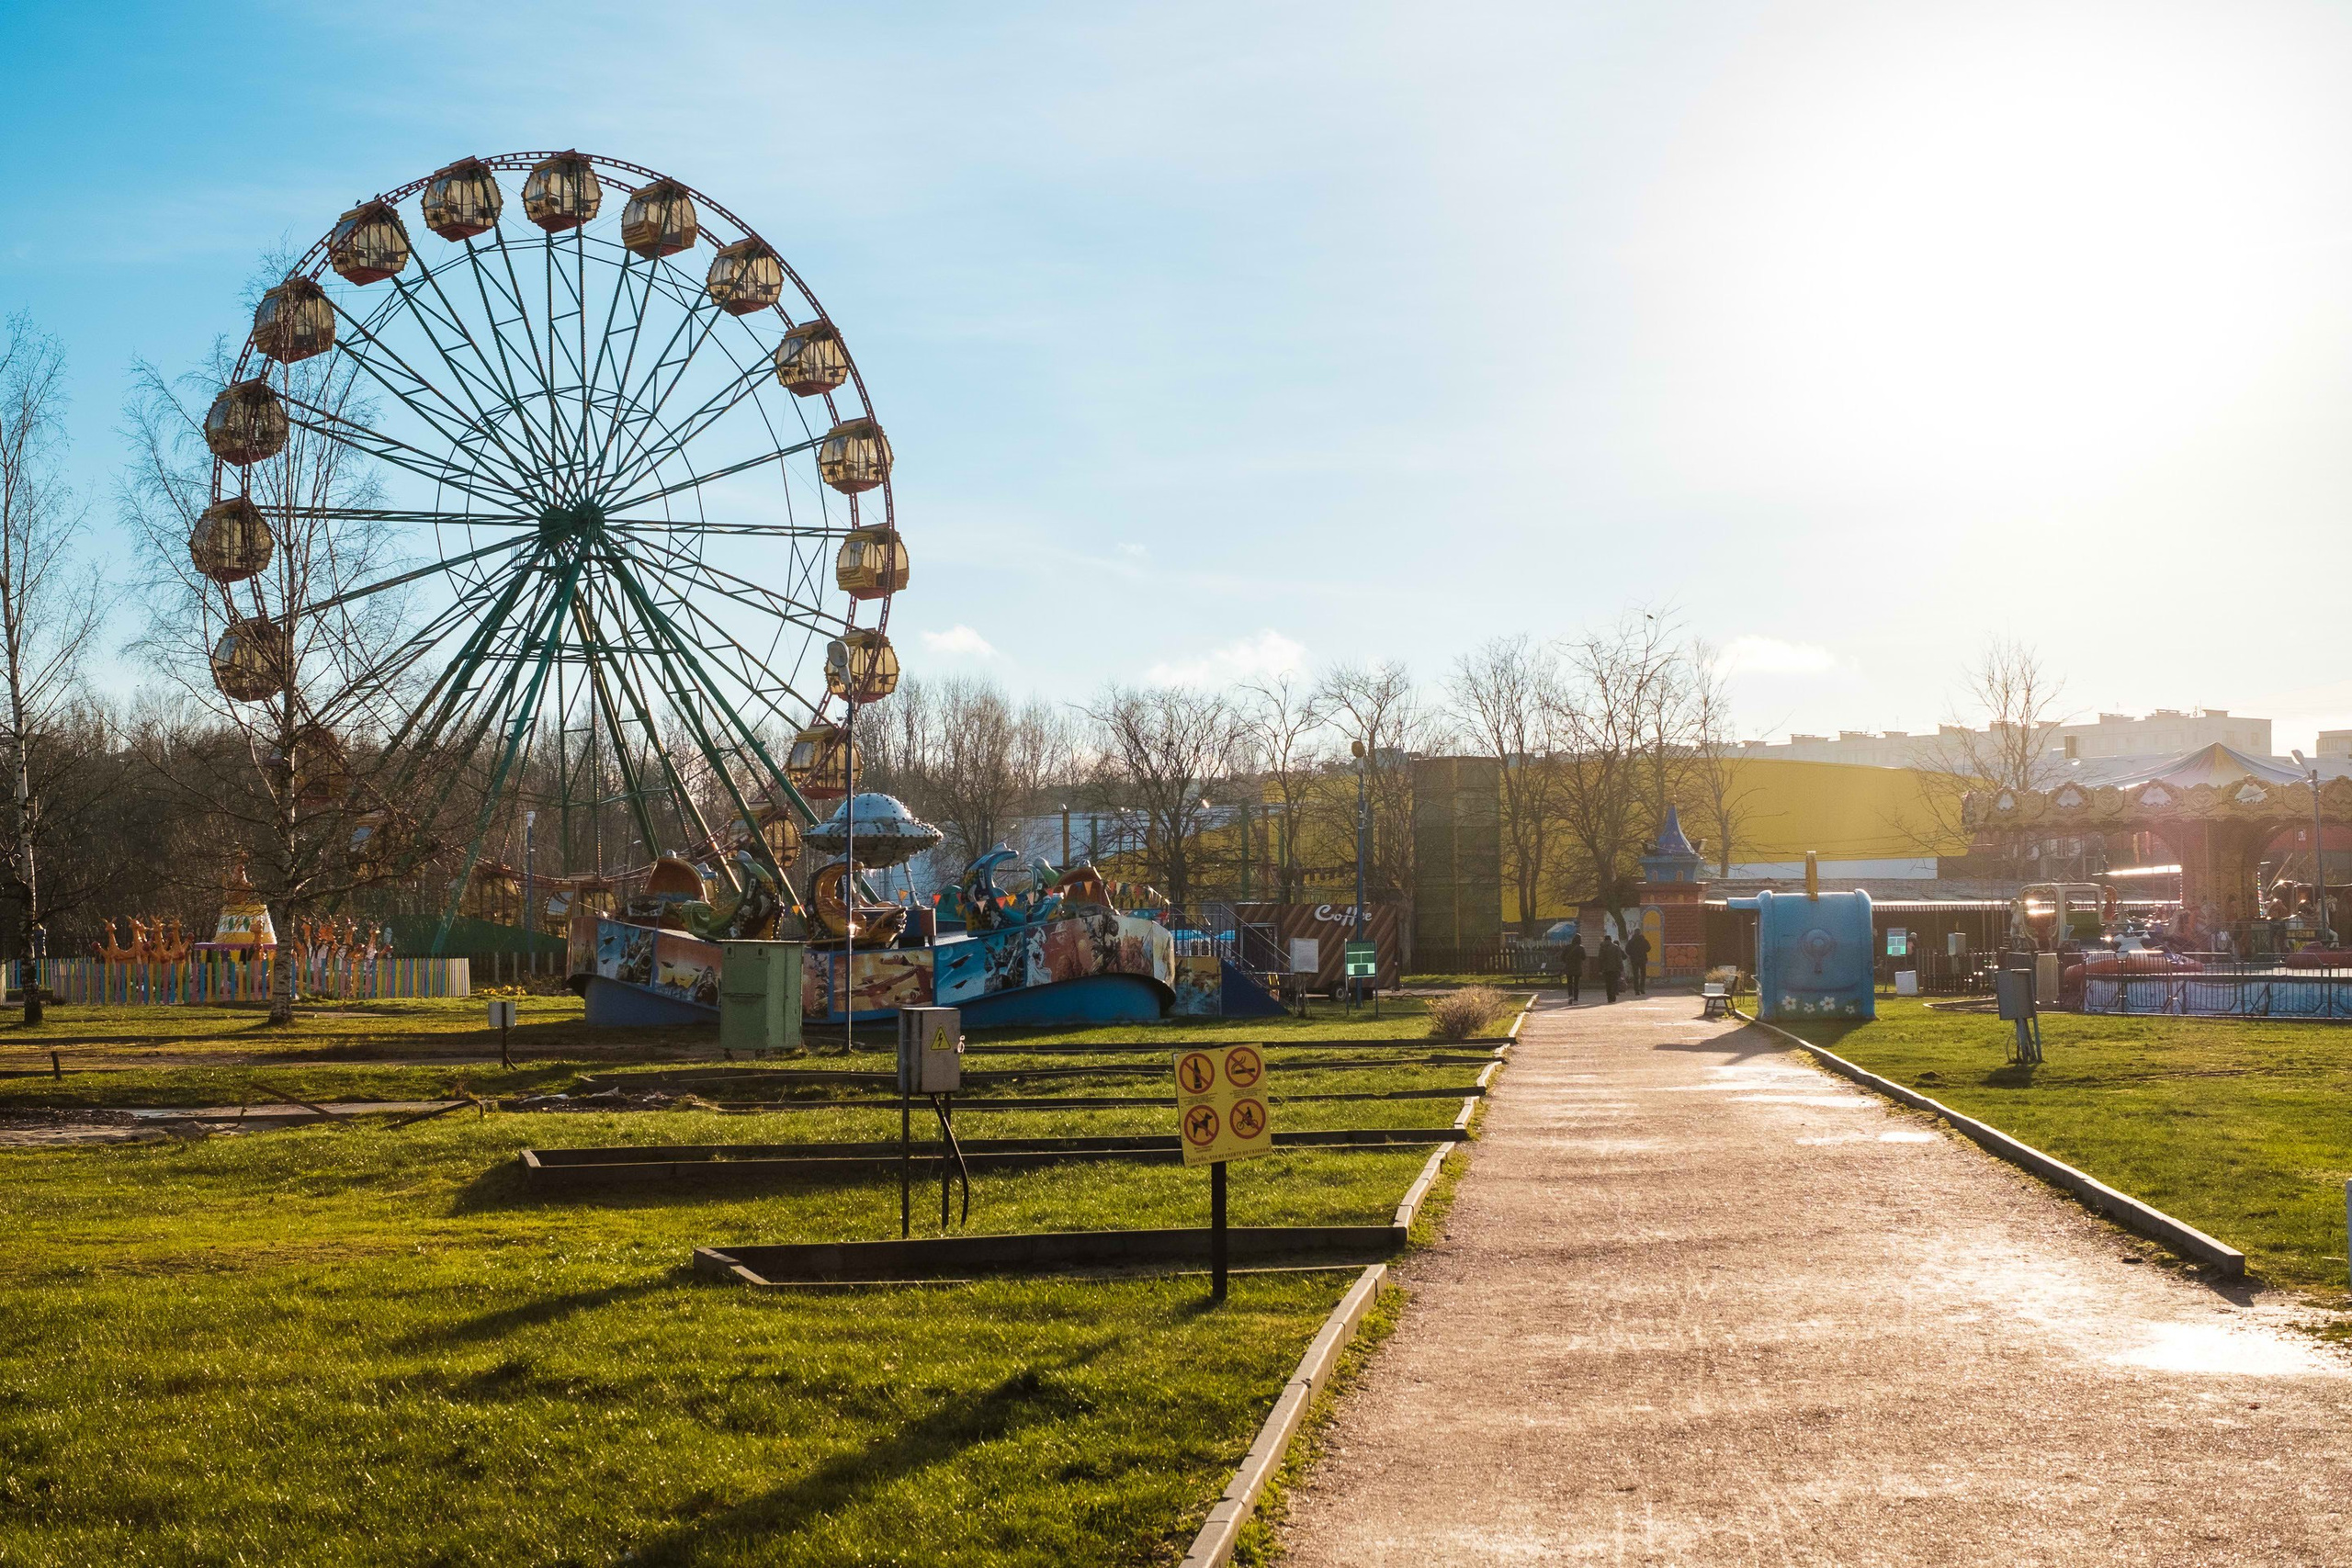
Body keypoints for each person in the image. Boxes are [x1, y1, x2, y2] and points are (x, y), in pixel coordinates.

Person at [1598, 932, 1624, 1003]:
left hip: (1605, 969)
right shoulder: (1615, 947)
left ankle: (1609, 997)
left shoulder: (1602, 947)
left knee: (1608, 983)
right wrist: (1621, 968)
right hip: (1614, 968)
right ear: (1610, 940)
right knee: (1614, 982)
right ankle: (1613, 996)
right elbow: (1619, 959)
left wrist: (1600, 969)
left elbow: (1600, 959)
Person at [1560, 933, 1586, 1003]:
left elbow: (1562, 957)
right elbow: (1584, 957)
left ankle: (1570, 996)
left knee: (1569, 983)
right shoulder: (1581, 948)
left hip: (1569, 967)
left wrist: (1566, 961)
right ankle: (1576, 999)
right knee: (1576, 983)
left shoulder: (1567, 947)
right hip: (1577, 967)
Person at [1625, 925, 1651, 996]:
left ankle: (1636, 990)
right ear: (1640, 933)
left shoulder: (1631, 941)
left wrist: (1632, 954)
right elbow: (1648, 948)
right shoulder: (1644, 940)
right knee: (1643, 974)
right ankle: (1642, 988)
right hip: (1642, 959)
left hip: (1634, 960)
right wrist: (1643, 951)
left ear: (1634, 933)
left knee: (1635, 975)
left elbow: (1627, 950)